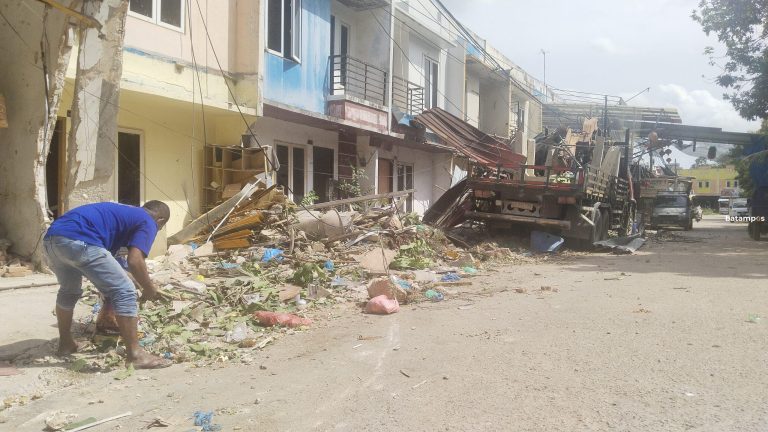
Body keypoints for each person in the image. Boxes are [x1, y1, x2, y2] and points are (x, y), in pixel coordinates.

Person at [44, 201, 171, 369]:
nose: (157, 231)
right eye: (160, 228)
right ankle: (136, 355)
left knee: (69, 291)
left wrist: (132, 277)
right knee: (125, 291)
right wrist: (148, 288)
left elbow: (115, 263)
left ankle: (66, 344)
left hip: (52, 240)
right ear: (160, 220)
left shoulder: (124, 215)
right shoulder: (148, 220)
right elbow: (135, 260)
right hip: (81, 240)